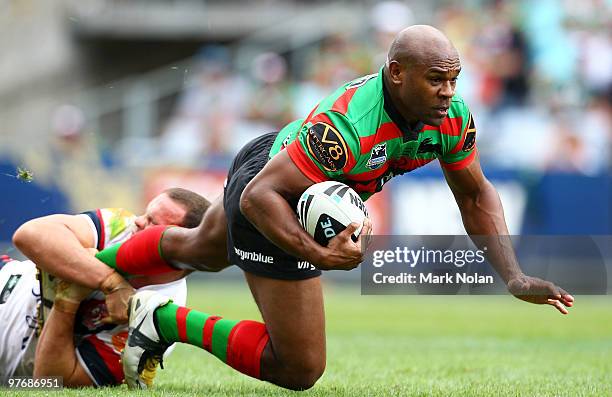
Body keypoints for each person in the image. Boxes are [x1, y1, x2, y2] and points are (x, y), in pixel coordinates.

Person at [89, 25, 574, 390]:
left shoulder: (449, 118)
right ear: (397, 74)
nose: (448, 93)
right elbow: (259, 198)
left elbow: (475, 193)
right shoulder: (349, 128)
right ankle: (161, 318)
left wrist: (512, 275)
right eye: (435, 80)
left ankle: (94, 263)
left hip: (278, 157)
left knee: (202, 249)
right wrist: (315, 254)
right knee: (300, 368)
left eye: (453, 79)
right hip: (274, 195)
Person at [1, 188, 209, 387]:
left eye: (151, 221)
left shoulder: (157, 323)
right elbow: (28, 234)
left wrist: (67, 300)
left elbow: (51, 383)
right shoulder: (121, 225)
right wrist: (111, 283)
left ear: (176, 247)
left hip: (9, 375)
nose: (137, 221)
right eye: (145, 213)